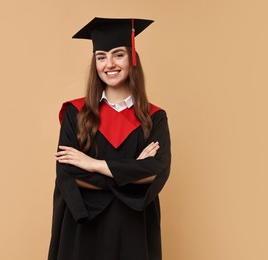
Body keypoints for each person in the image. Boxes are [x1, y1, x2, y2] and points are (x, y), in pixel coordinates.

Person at [48, 17, 171, 260]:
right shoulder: (75, 113)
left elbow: (157, 171)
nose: (109, 64)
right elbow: (68, 174)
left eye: (118, 55)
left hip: (132, 226)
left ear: (132, 59)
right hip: (84, 226)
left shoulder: (154, 117)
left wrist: (93, 164)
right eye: (101, 56)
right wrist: (134, 171)